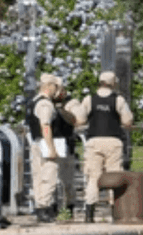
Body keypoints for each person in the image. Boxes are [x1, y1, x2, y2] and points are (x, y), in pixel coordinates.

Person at [78, 71, 134, 223]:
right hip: (113, 141)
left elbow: (80, 119)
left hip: (94, 141)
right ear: (113, 83)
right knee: (114, 175)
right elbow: (128, 121)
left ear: (100, 82)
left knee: (93, 177)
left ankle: (89, 214)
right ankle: (115, 212)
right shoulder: (118, 99)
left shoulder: (89, 99)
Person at [26, 73, 68, 223]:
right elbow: (45, 125)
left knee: (38, 177)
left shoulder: (33, 102)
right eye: (56, 87)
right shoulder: (46, 104)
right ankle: (45, 208)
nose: (57, 90)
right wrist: (51, 148)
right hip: (46, 142)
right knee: (49, 176)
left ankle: (39, 207)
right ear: (49, 86)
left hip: (36, 142)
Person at [52, 78, 83, 220]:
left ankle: (69, 207)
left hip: (66, 144)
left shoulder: (71, 103)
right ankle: (52, 208)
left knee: (67, 180)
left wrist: (61, 110)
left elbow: (77, 119)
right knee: (51, 179)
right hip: (51, 144)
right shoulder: (45, 102)